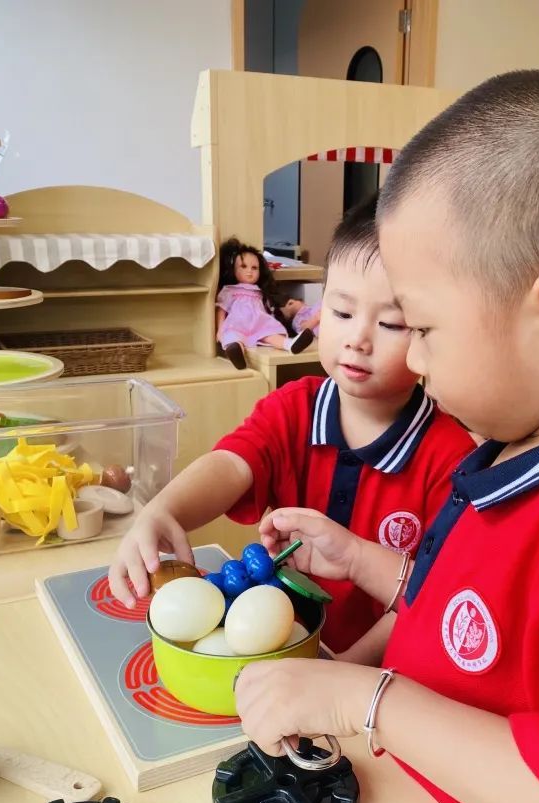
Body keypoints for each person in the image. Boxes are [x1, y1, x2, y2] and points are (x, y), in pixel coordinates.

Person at [235, 70, 539, 803]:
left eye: (422, 328)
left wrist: (366, 701)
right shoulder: (515, 452)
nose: (415, 360)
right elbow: (474, 625)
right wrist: (360, 559)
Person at [108, 196, 475, 655]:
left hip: (372, 672)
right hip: (282, 648)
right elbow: (232, 464)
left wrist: (345, 670)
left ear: (430, 333)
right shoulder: (293, 408)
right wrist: (163, 511)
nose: (357, 340)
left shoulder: (452, 460)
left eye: (390, 323)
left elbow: (430, 596)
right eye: (341, 313)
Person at [215, 237, 313, 369]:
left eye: (254, 268)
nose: (249, 271)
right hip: (238, 323)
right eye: (243, 266)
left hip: (259, 323)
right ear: (233, 269)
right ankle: (236, 352)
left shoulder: (259, 291)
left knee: (271, 334)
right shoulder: (230, 290)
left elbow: (268, 308)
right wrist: (220, 330)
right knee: (232, 336)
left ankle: (290, 344)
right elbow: (221, 310)